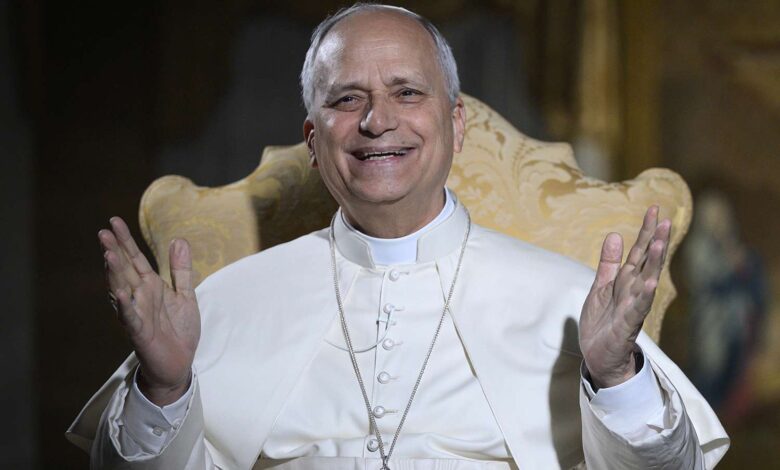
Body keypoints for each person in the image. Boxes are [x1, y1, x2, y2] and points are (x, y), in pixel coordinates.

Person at [68, 4, 729, 469]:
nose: (377, 121)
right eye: (346, 98)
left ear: (456, 125)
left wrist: (615, 376)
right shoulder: (228, 301)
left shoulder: (567, 297)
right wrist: (164, 389)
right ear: (313, 140)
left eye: (407, 92)